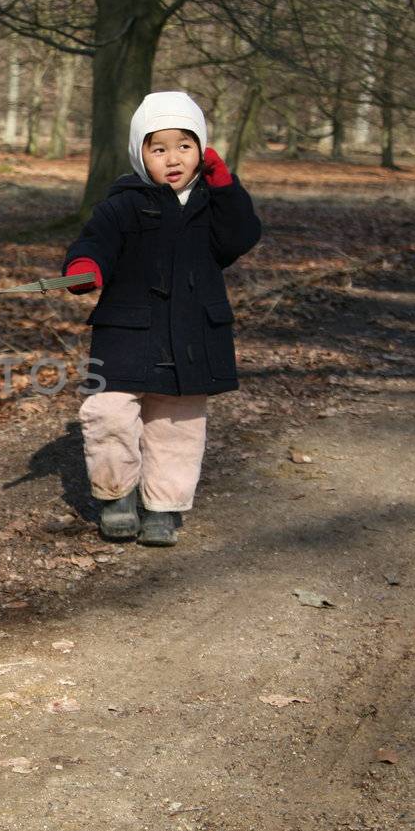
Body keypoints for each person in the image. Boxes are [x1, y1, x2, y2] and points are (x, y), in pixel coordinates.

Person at [60, 91, 262, 546]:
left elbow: (241, 237)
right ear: (140, 153)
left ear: (203, 152)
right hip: (127, 330)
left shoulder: (214, 206)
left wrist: (227, 188)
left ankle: (163, 507)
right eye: (159, 148)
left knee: (177, 426)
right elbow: (93, 243)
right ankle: (116, 496)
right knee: (107, 411)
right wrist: (83, 269)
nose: (173, 158)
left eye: (185, 146)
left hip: (193, 333)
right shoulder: (122, 204)